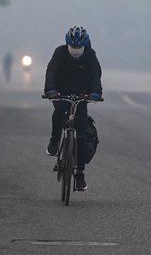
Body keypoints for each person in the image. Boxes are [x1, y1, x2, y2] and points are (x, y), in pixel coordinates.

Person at [44, 26, 102, 191]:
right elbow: (52, 71)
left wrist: (96, 92)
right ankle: (54, 141)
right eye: (73, 46)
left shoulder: (90, 55)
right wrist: (50, 90)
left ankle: (80, 173)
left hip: (81, 95)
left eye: (79, 47)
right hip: (61, 93)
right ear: (67, 44)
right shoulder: (60, 52)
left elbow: (95, 72)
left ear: (84, 46)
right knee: (59, 111)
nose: (76, 50)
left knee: (82, 135)